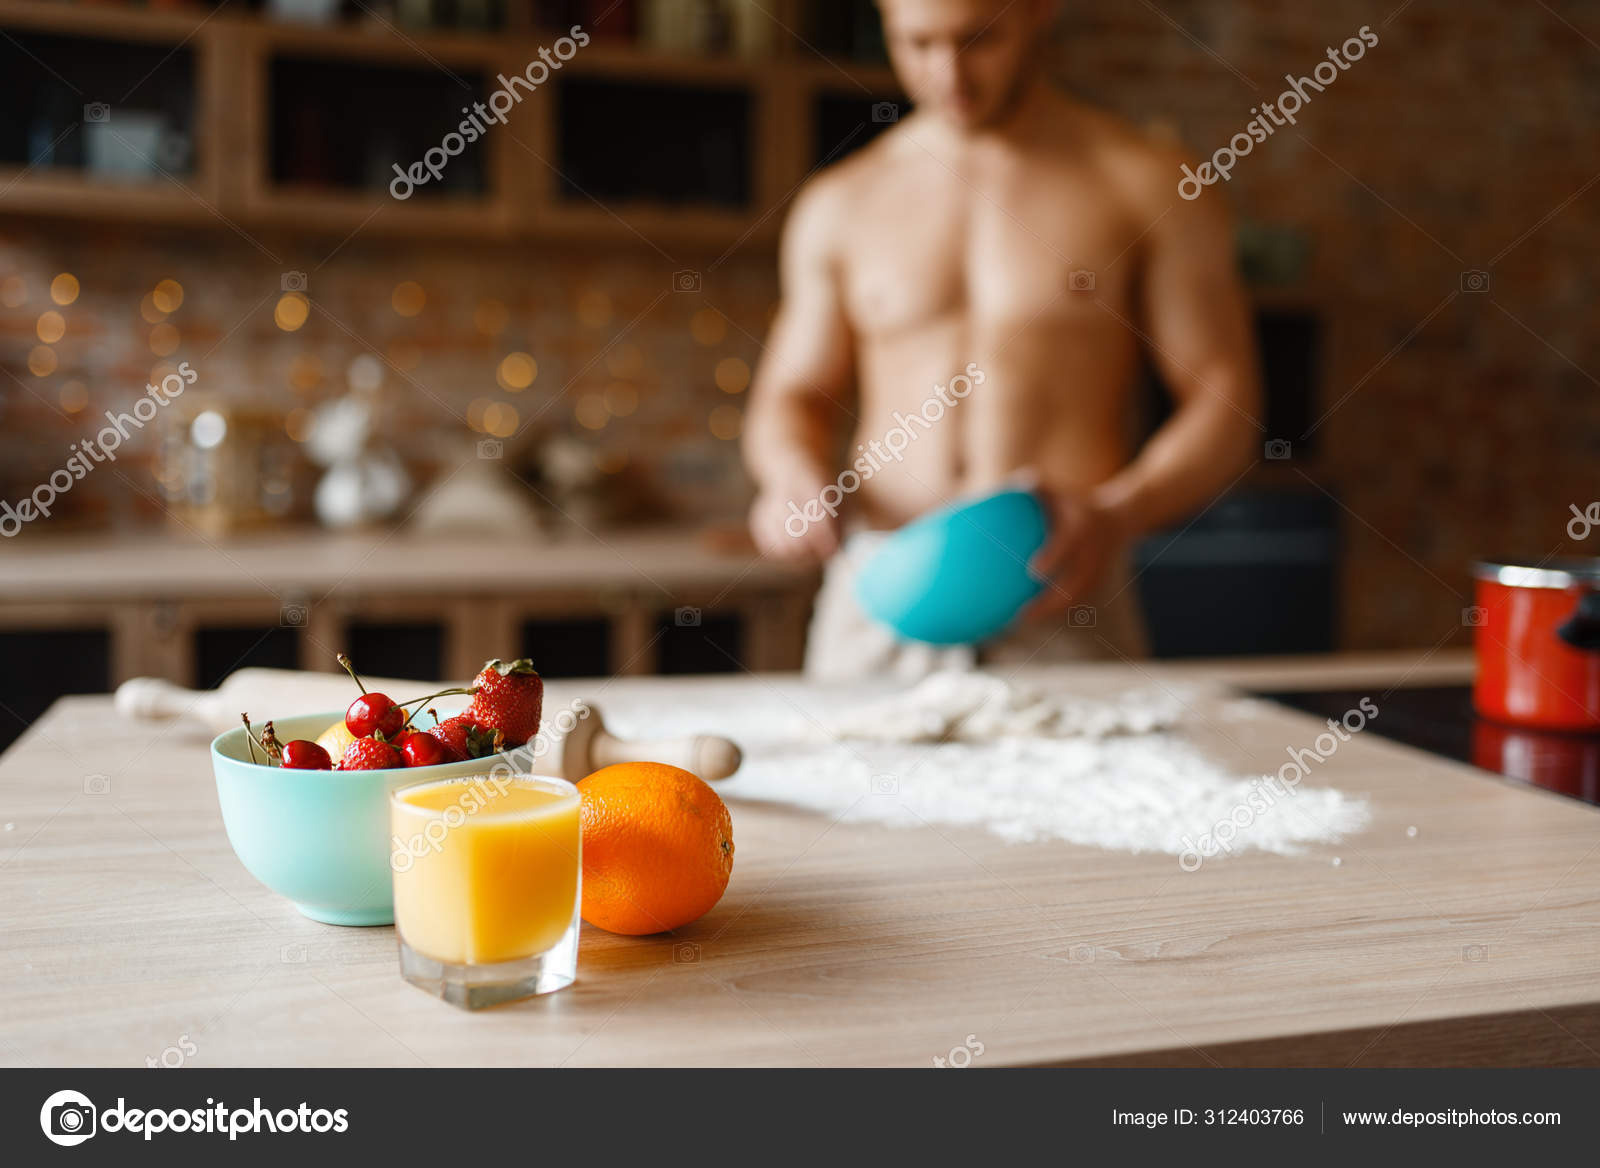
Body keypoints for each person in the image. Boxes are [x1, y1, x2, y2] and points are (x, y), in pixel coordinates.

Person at [743, 0, 1261, 679]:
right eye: (917, 44)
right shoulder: (841, 201)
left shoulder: (1144, 181)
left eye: (977, 40)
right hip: (880, 592)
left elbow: (1225, 402)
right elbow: (792, 391)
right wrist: (790, 473)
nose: (947, 73)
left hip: (1061, 591)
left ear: (1038, 12)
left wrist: (1116, 514)